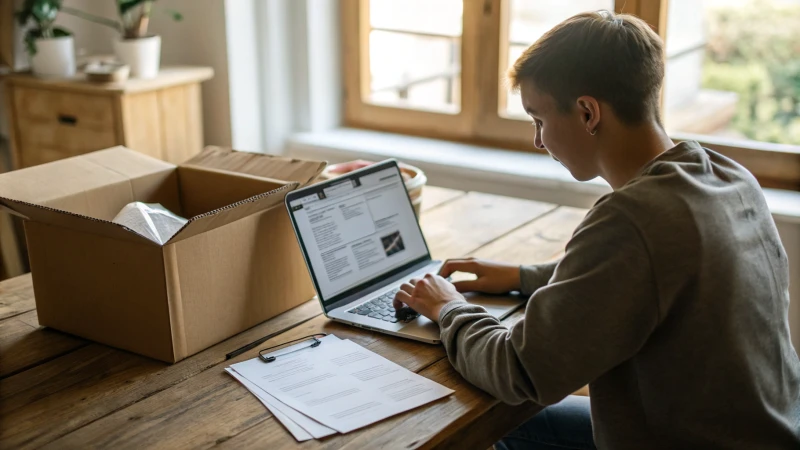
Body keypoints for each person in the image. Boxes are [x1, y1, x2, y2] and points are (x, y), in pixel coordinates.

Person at [392, 10, 800, 449]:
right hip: (772, 431)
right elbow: (650, 274)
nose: (538, 141)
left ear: (588, 113)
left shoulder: (631, 218)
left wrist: (449, 307)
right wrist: (524, 276)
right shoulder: (725, 176)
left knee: (473, 432)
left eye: (539, 119)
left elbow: (519, 370)